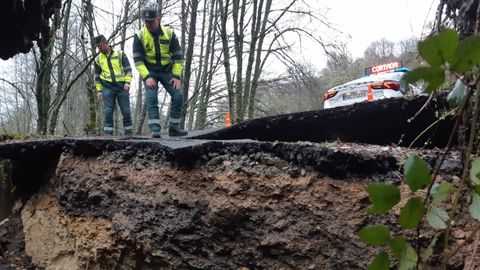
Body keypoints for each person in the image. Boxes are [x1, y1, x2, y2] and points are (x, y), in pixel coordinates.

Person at [133, 5, 188, 138]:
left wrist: (176, 76)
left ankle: (174, 128)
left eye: (151, 21)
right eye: (146, 21)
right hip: (150, 71)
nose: (148, 24)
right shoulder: (139, 36)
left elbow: (178, 57)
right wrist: (147, 77)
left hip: (166, 71)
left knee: (178, 95)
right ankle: (155, 129)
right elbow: (138, 60)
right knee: (151, 97)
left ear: (158, 19)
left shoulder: (169, 34)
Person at [93, 35, 133, 136]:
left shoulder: (120, 54)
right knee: (108, 111)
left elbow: (128, 69)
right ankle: (108, 133)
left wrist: (127, 82)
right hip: (107, 87)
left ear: (105, 43)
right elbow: (97, 77)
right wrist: (99, 91)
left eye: (100, 46)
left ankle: (129, 133)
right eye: (97, 47)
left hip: (122, 87)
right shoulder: (98, 59)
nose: (99, 49)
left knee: (126, 110)